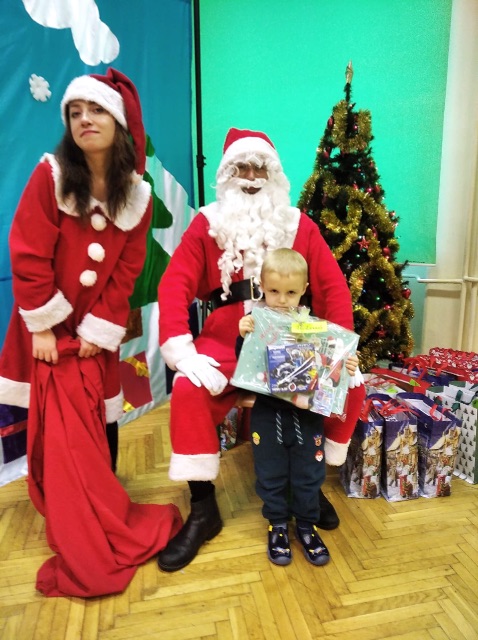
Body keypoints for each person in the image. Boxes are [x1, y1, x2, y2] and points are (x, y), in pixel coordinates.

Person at [0, 68, 182, 597]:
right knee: (58, 430)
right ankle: (70, 506)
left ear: (118, 123)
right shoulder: (51, 175)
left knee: (98, 417)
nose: (84, 119)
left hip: (94, 333)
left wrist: (99, 331)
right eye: (75, 112)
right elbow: (27, 252)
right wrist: (44, 327)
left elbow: (125, 271)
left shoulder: (136, 197)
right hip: (44, 330)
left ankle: (98, 501)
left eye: (96, 109)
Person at [157, 128, 365, 573]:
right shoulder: (207, 224)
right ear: (226, 175)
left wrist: (341, 349)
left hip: (293, 340)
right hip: (225, 339)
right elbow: (174, 284)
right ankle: (203, 508)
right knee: (189, 390)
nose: (251, 178)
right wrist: (182, 350)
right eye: (241, 168)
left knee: (350, 388)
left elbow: (332, 286)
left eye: (259, 169)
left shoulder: (297, 225)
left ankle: (309, 488)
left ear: (274, 176)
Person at [236, 248, 358, 566]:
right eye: (274, 291)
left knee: (309, 474)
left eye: (291, 292)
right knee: (270, 472)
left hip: (306, 419)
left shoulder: (317, 329)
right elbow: (245, 366)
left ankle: (306, 525)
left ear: (304, 289)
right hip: (268, 416)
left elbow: (332, 370)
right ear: (262, 286)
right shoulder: (257, 323)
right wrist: (243, 336)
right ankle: (277, 524)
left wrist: (347, 365)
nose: (281, 300)